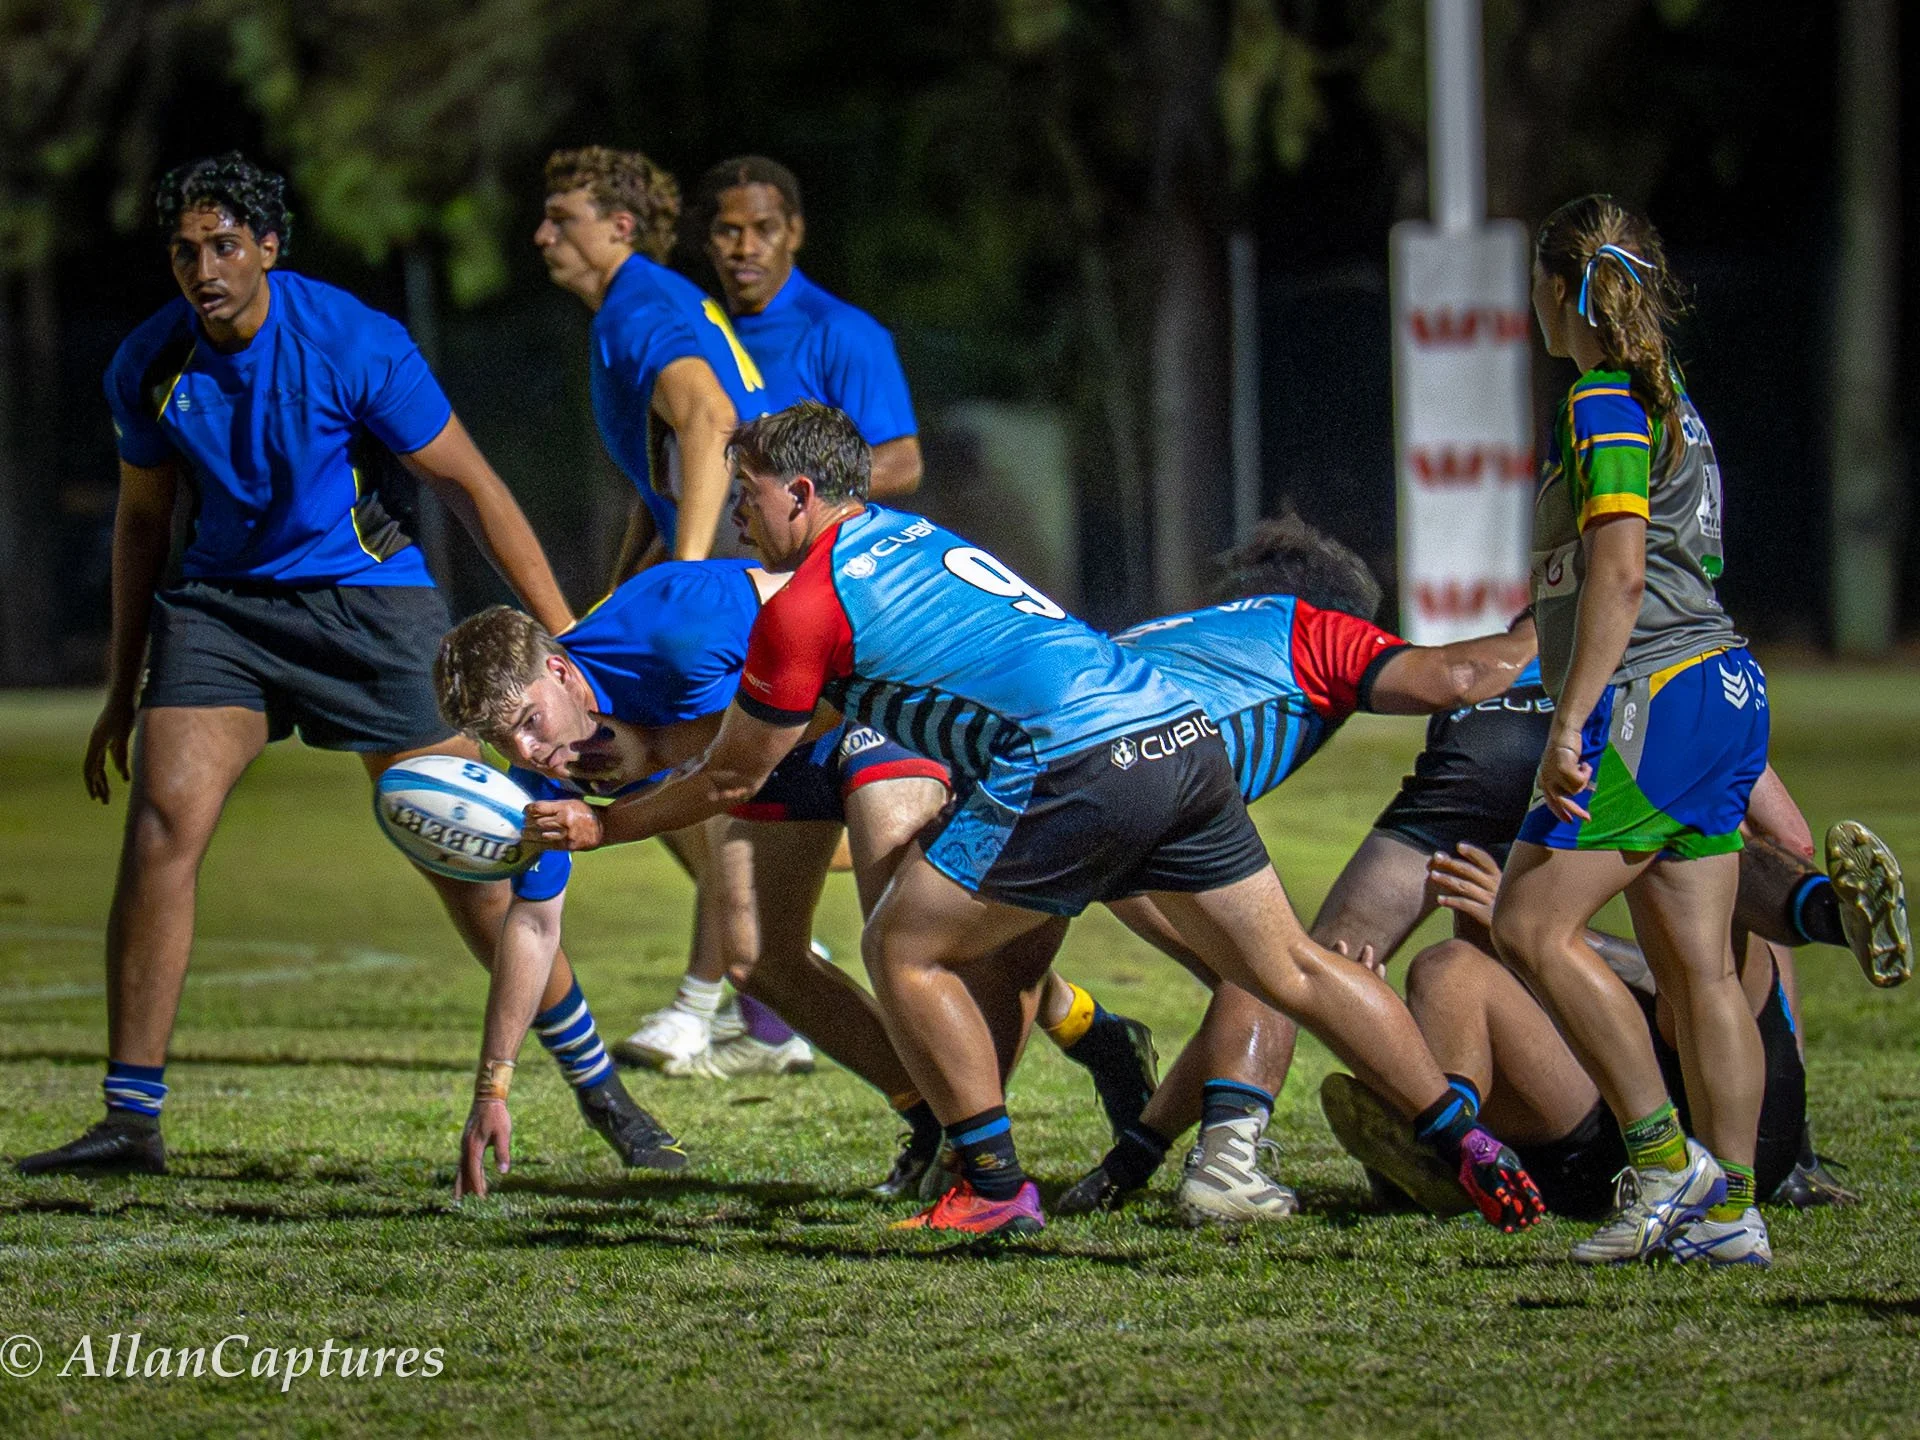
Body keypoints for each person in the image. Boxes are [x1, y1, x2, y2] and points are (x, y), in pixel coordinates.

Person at [519, 401, 1548, 1237]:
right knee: (1295, 967)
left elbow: (735, 781)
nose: (737, 516)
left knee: (906, 948)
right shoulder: (914, 536)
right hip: (1176, 740)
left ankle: (993, 1182)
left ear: (800, 492)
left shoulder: (802, 606)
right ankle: (1469, 1144)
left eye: (746, 494)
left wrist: (606, 826)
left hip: (1074, 761)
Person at [15, 152, 663, 1179]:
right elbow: (144, 524)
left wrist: (564, 639)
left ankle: (607, 1097)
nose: (204, 268)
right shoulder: (150, 363)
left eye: (225, 245)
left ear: (269, 247)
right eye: (185, 252)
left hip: (367, 603)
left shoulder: (355, 341)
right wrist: (120, 683)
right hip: (223, 610)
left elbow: (472, 488)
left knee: (471, 851)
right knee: (163, 825)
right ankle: (129, 1120)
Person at [1031, 516, 1534, 1224]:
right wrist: (1563, 617)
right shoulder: (1309, 629)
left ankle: (978, 1165)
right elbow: (1457, 677)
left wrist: (1133, 1158)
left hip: (1044, 785)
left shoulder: (1172, 636)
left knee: (953, 959)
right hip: (1144, 785)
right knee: (1287, 970)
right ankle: (1435, 1141)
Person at [432, 562, 988, 1199]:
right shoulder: (542, 773)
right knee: (757, 961)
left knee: (901, 935)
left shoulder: (670, 631)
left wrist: (659, 760)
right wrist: (492, 1088)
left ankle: (987, 1142)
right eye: (504, 739)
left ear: (558, 671)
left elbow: (821, 611)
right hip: (767, 757)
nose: (527, 752)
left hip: (862, 698)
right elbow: (531, 923)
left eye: (530, 722)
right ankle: (929, 1115)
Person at [1490, 195, 1772, 1265]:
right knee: (1696, 963)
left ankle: (1663, 1165)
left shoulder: (1602, 398)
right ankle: (1731, 1210)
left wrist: (1572, 720)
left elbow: (1617, 565)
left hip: (1656, 693)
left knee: (1527, 925)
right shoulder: (1673, 401)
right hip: (1725, 688)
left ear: (1557, 290)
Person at [616, 154, 928, 1073]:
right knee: (664, 777)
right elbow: (672, 471)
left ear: (793, 232)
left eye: (760, 228)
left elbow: (902, 458)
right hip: (701, 590)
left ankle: (703, 999)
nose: (742, 247)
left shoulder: (841, 332)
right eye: (725, 230)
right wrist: (640, 572)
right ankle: (776, 987)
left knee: (726, 782)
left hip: (789, 597)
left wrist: (804, 495)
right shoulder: (694, 330)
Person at [1320, 840, 1819, 1233]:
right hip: (1591, 1143)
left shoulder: (1685, 763)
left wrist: (1539, 931)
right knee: (1446, 966)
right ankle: (1455, 1147)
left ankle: (1827, 912)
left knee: (1716, 893)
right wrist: (1386, 1030)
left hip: (1739, 1131)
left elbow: (1781, 841)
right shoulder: (1537, 801)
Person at [534, 146, 761, 579]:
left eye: (562, 219)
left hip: (750, 548)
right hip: (761, 532)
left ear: (621, 227)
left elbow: (711, 417)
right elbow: (670, 478)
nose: (543, 236)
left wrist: (686, 578)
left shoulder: (632, 307)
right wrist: (620, 594)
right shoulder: (657, 292)